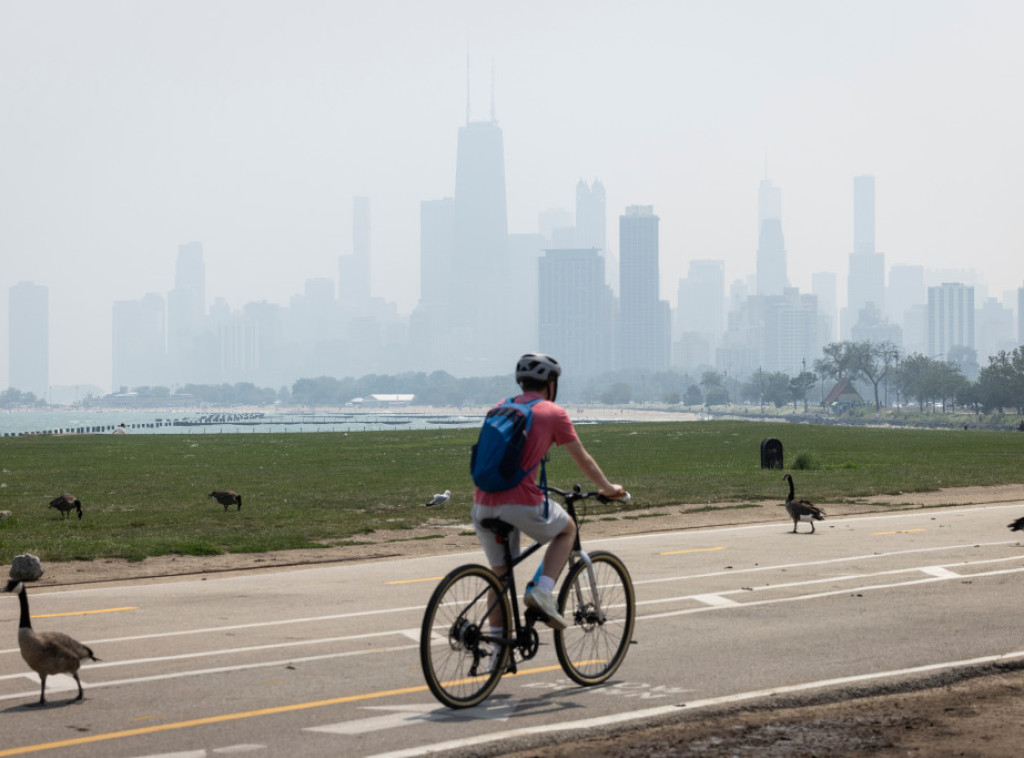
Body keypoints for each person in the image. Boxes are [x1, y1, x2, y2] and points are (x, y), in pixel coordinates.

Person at [472, 353, 625, 630]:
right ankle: (542, 591)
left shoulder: (499, 407)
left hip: (482, 503)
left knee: (500, 578)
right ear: (551, 384)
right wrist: (609, 488)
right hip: (519, 502)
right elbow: (583, 460)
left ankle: (495, 656)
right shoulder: (553, 413)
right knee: (567, 530)